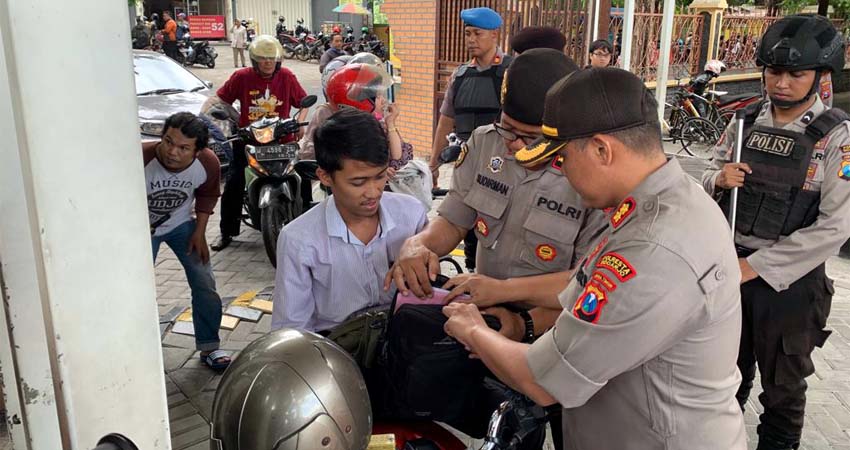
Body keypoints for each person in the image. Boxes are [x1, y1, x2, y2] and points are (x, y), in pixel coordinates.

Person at [442, 67, 746, 450]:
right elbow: (584, 288)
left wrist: (472, 329)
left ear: (603, 150)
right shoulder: (659, 202)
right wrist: (505, 296)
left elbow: (544, 381)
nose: (563, 171)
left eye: (564, 157)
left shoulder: (654, 247)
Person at [386, 49, 603, 445]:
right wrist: (416, 245)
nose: (513, 146)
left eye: (530, 138)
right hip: (482, 327)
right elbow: (453, 221)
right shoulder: (485, 145)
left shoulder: (591, 176)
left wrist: (524, 320)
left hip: (555, 336)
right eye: (508, 129)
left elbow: (589, 282)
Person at [700, 15, 849, 450]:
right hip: (730, 271)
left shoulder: (836, 137)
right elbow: (708, 173)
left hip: (789, 286)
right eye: (774, 72)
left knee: (783, 394)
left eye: (795, 74)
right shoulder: (744, 120)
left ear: (820, 77)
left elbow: (836, 226)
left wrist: (756, 266)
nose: (782, 83)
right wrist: (718, 179)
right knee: (725, 381)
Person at [271, 108, 427, 332]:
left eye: (380, 177)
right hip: (335, 352)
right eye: (358, 182)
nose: (373, 192)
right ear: (325, 177)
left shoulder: (411, 215)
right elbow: (292, 330)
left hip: (408, 344)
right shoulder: (299, 239)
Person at [202, 35, 308, 251]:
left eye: (272, 59)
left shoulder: (286, 77)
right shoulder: (241, 77)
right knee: (234, 183)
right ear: (253, 60)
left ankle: (308, 227)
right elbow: (222, 99)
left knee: (302, 177)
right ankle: (226, 232)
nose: (268, 63)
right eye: (262, 59)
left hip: (282, 139)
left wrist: (299, 123)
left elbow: (302, 101)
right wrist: (228, 118)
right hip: (249, 140)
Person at [145, 112, 231, 371]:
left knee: (204, 280)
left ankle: (209, 346)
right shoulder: (139, 158)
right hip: (140, 232)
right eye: (168, 142)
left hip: (182, 225)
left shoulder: (208, 163)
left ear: (197, 150)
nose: (172, 152)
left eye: (184, 148)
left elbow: (207, 195)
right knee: (137, 290)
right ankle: (140, 348)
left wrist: (200, 233)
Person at [429, 6, 511, 270]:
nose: (471, 40)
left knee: (496, 228)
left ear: (494, 34)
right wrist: (433, 163)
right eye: (467, 34)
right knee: (462, 221)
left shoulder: (511, 71)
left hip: (501, 165)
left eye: (477, 33)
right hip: (466, 164)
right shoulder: (460, 74)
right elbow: (446, 119)